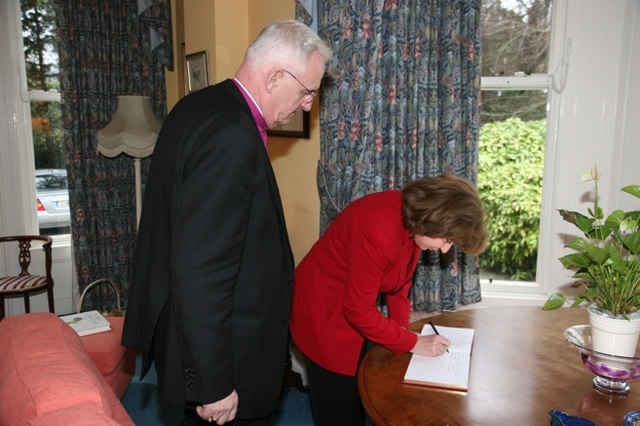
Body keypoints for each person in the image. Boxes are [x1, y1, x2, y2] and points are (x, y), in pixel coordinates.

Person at [121, 20, 333, 426]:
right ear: (274, 77)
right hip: (222, 355)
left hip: (189, 337)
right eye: (308, 91)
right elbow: (202, 270)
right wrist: (213, 384)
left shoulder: (199, 105)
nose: (308, 104)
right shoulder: (233, 136)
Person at [289, 174, 489, 426]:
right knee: (339, 409)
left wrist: (403, 335)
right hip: (323, 311)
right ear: (430, 221)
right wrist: (413, 342)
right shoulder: (379, 230)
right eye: (447, 240)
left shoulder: (414, 220)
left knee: (365, 392)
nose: (446, 249)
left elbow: (399, 283)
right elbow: (358, 310)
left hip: (353, 302)